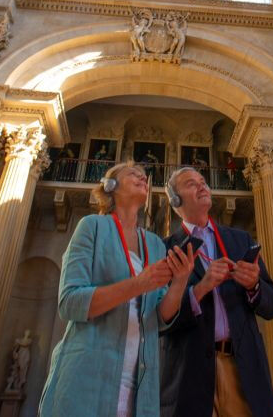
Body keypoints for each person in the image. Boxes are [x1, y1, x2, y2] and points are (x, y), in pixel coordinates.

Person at [40, 162, 196, 417]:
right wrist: (138, 284)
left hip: (141, 389)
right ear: (110, 186)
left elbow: (159, 318)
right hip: (86, 381)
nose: (142, 178)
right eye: (133, 174)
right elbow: (70, 302)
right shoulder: (91, 227)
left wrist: (179, 282)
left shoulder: (155, 244)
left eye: (144, 176)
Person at [160, 167, 273, 416]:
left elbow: (272, 306)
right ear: (175, 200)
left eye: (203, 181)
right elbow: (161, 321)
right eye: (192, 184)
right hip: (190, 373)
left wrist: (253, 285)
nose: (202, 186)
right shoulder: (166, 250)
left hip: (242, 368)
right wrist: (200, 288)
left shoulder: (240, 240)